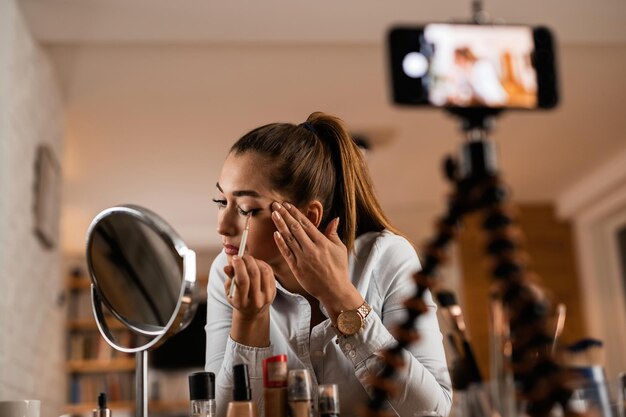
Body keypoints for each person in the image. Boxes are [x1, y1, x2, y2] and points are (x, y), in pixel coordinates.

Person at [205, 112, 452, 417]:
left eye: (247, 209)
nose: (223, 226)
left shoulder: (387, 257)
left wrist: (339, 297)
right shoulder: (225, 272)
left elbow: (432, 411)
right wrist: (248, 321)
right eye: (221, 202)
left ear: (308, 217)